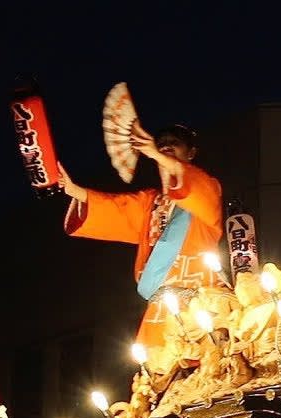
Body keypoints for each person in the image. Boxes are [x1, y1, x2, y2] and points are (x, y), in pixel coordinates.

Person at [59, 122, 225, 351]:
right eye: (162, 144)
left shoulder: (207, 188)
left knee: (210, 369)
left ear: (191, 152)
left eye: (174, 143)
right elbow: (115, 208)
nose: (166, 146)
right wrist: (73, 189)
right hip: (160, 308)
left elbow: (194, 186)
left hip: (200, 303)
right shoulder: (150, 202)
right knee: (156, 375)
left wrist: (157, 154)